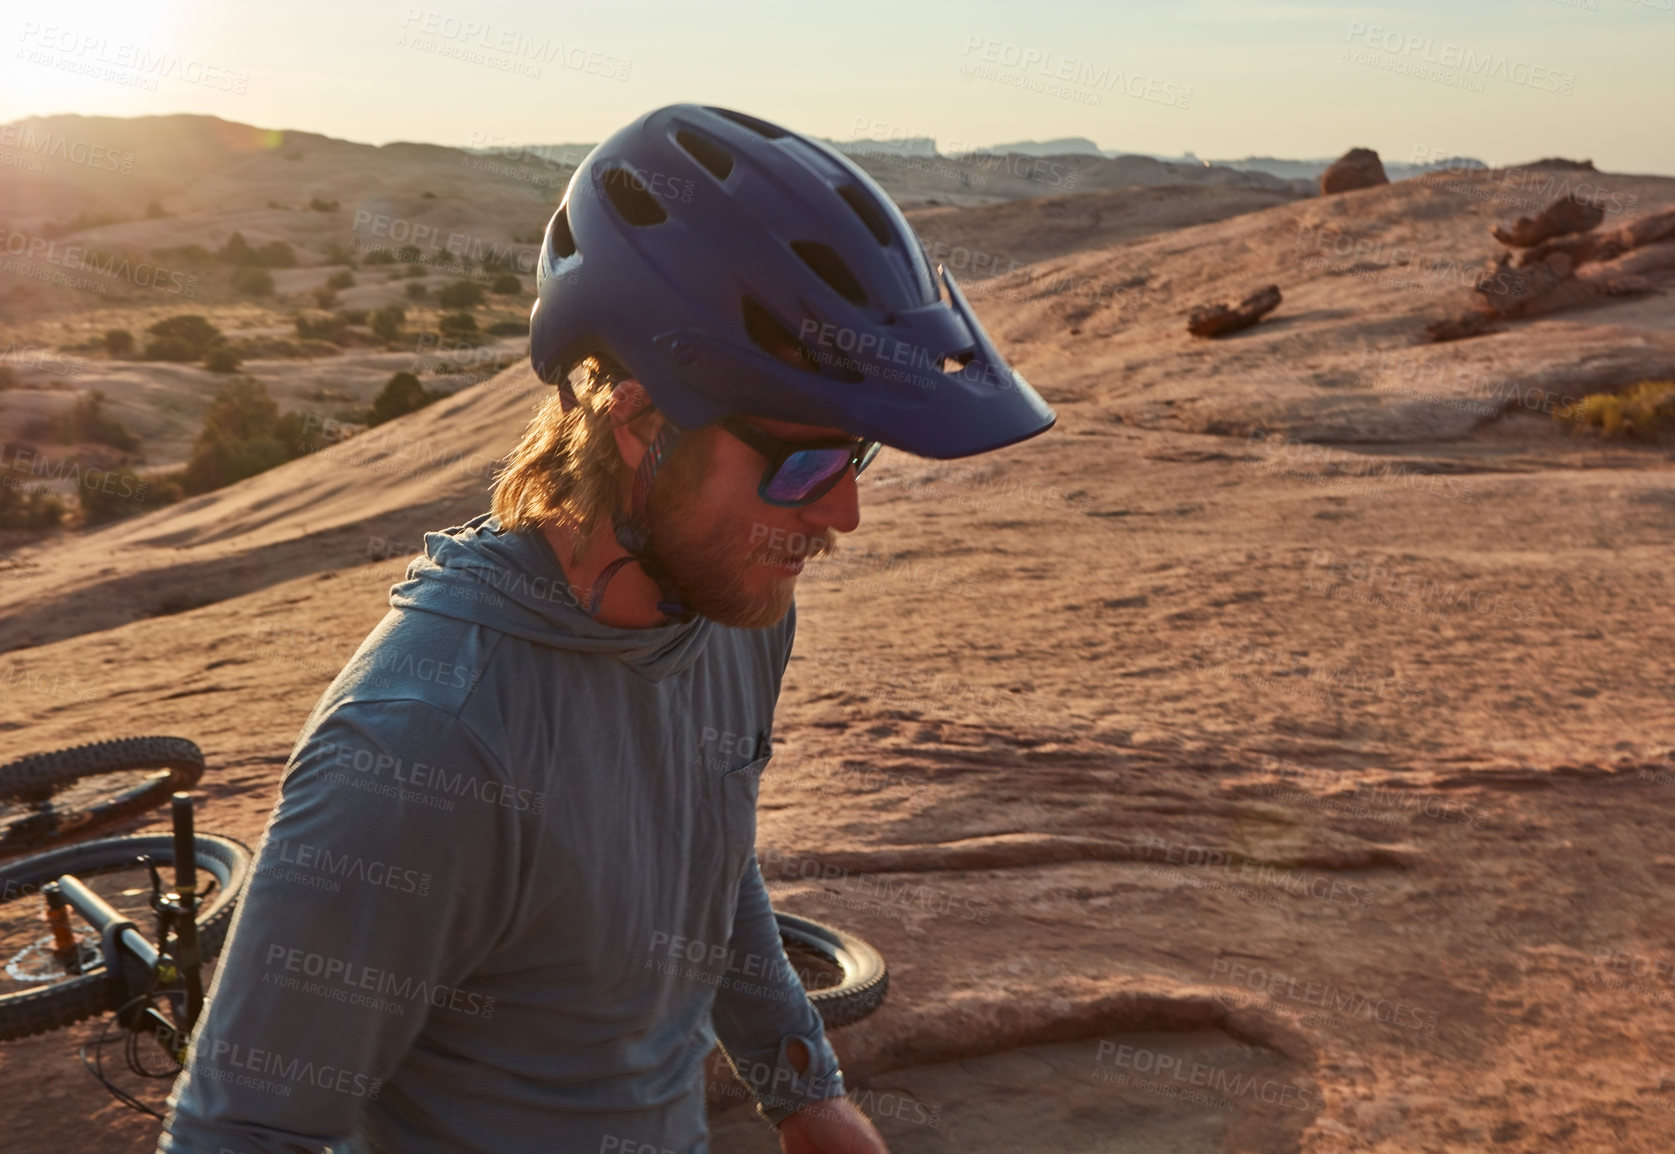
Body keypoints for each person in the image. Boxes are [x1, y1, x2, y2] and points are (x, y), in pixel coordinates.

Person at [158, 103, 1053, 1153]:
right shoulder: (422, 749)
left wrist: (805, 1092)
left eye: (856, 456)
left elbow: (703, 856)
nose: (840, 513)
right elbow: (241, 1133)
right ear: (639, 424)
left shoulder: (733, 607)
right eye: (804, 463)